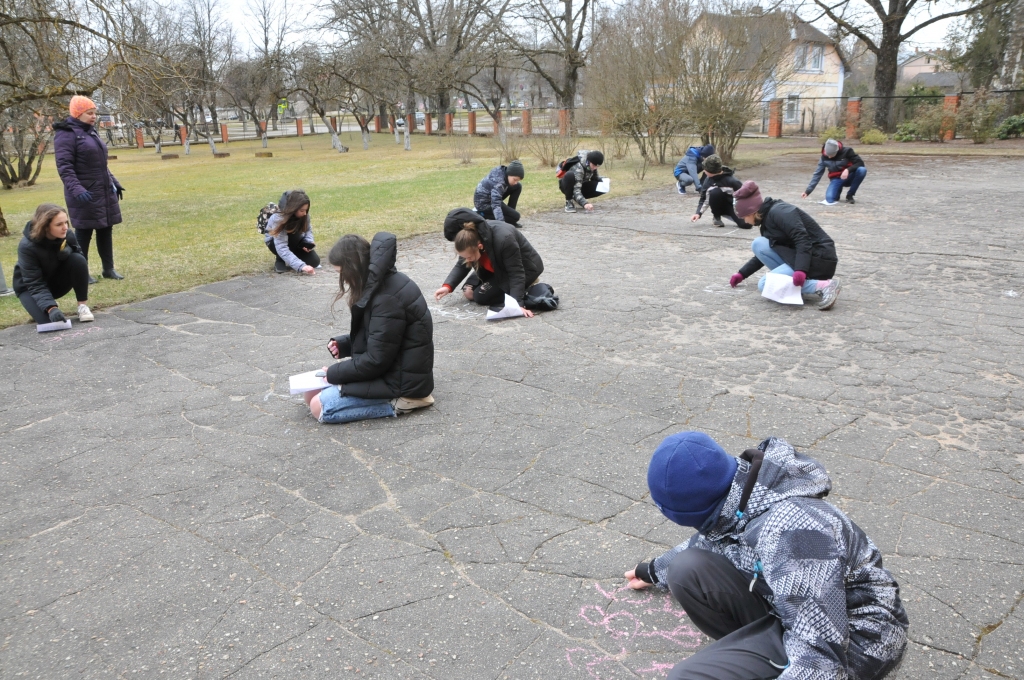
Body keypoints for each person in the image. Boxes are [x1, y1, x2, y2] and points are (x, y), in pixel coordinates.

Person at [625, 431, 909, 680]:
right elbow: (710, 540)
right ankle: (759, 654)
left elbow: (821, 652)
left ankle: (766, 662)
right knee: (685, 569)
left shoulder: (795, 535)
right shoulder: (742, 491)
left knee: (687, 677)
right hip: (791, 607)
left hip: (857, 643)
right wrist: (652, 571)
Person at [304, 232, 435, 424]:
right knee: (310, 393)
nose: (344, 281)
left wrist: (334, 374)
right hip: (392, 371)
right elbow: (381, 337)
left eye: (343, 274)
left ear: (354, 268)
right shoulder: (382, 285)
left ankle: (403, 404)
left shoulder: (386, 299)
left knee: (317, 406)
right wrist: (344, 345)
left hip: (402, 388)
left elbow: (376, 359)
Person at [728, 181, 842, 310]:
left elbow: (802, 239)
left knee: (765, 284)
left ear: (751, 212)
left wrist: (800, 270)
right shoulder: (767, 219)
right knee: (759, 244)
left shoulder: (780, 212)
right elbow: (769, 251)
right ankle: (802, 283)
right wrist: (742, 273)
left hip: (820, 259)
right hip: (804, 257)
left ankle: (823, 286)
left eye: (743, 217)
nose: (744, 221)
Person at [53, 95, 125, 283]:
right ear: (77, 114)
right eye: (89, 113)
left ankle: (108, 269)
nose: (94, 117)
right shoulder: (66, 134)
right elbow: (65, 167)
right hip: (84, 193)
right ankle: (81, 272)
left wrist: (114, 183)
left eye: (94, 113)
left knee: (105, 229)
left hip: (103, 190)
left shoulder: (91, 132)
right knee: (84, 232)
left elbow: (101, 165)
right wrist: (77, 190)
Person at [434, 208, 543, 315]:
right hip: (497, 267)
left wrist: (517, 305)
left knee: (480, 296)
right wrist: (448, 286)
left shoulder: (504, 238)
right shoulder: (472, 239)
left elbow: (516, 272)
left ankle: (527, 287)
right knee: (468, 291)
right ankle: (503, 286)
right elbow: (462, 264)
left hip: (524, 269)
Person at [13, 203, 94, 325]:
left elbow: (80, 263)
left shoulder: (67, 235)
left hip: (54, 279)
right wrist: (51, 308)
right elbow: (34, 283)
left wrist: (70, 250)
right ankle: (46, 307)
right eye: (59, 224)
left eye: (66, 222)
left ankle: (82, 307)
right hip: (29, 287)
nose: (65, 227)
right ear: (45, 226)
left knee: (78, 259)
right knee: (50, 323)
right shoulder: (27, 246)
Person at [265, 190, 320, 274]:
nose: (305, 213)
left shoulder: (304, 214)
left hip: (295, 240)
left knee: (314, 261)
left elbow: (308, 229)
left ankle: (290, 257)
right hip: (275, 243)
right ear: (293, 209)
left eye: (306, 210)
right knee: (291, 237)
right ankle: (280, 259)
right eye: (302, 210)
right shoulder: (279, 219)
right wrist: (301, 266)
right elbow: (281, 246)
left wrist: (307, 242)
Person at [802, 138, 867, 205]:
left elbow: (860, 163)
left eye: (832, 155)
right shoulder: (823, 157)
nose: (829, 157)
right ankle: (838, 190)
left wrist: (848, 170)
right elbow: (817, 174)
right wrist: (808, 191)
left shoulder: (847, 151)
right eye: (828, 155)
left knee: (862, 170)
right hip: (836, 179)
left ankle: (850, 195)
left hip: (849, 177)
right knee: (830, 199)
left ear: (837, 150)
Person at [689, 154, 747, 229]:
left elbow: (746, 197)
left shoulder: (732, 181)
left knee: (746, 225)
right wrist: (698, 213)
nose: (704, 171)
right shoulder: (708, 181)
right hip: (719, 205)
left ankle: (731, 216)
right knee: (715, 192)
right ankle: (716, 216)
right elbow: (703, 198)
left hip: (732, 207)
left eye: (705, 169)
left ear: (712, 171)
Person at [474, 160, 525, 227]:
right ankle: (481, 214)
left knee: (517, 186)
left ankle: (511, 214)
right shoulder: (498, 183)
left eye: (517, 180)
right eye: (515, 179)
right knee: (515, 217)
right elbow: (496, 204)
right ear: (509, 174)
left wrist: (510, 212)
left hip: (491, 196)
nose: (516, 182)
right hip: (484, 204)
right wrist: (502, 224)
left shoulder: (504, 173)